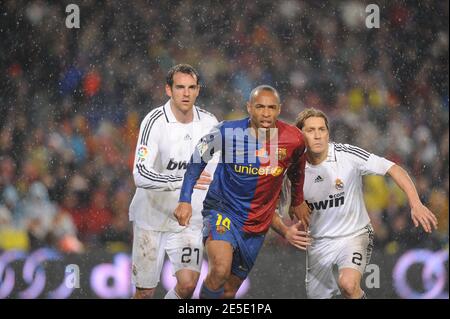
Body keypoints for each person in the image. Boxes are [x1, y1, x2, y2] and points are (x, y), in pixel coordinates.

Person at [173, 85, 311, 299]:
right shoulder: (226, 132)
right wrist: (185, 200)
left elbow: (297, 169)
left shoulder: (294, 140)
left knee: (229, 291)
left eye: (271, 107)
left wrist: (297, 200)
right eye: (260, 107)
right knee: (220, 269)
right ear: (249, 107)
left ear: (279, 109)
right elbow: (196, 161)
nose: (266, 113)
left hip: (257, 225)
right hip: (222, 211)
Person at [291, 107, 438, 299]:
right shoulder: (292, 169)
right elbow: (277, 204)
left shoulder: (347, 155)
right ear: (299, 134)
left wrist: (415, 203)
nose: (318, 135)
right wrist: (287, 226)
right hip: (319, 242)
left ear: (328, 133)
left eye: (322, 129)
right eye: (311, 130)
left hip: (355, 233)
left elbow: (393, 168)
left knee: (348, 285)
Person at [129, 64, 218, 299]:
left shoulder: (210, 124)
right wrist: (183, 179)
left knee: (188, 285)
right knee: (145, 292)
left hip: (187, 220)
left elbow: (218, 171)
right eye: (180, 87)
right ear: (168, 90)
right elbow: (140, 173)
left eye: (191, 87)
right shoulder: (154, 121)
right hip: (152, 218)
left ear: (198, 90)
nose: (186, 93)